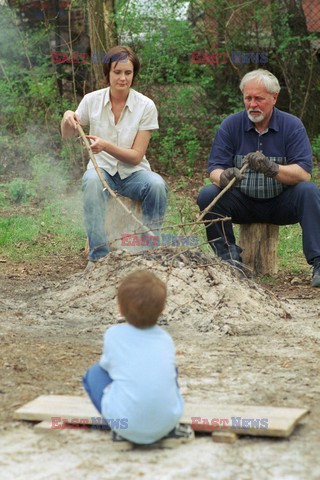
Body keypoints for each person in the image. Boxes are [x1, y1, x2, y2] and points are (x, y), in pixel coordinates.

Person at [197, 69, 320, 287]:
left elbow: (303, 173)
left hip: (281, 203)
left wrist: (273, 168)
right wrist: (224, 176)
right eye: (248, 98)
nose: (252, 104)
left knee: (309, 191)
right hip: (242, 203)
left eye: (259, 99)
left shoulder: (292, 126)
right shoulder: (231, 125)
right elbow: (214, 169)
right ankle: (229, 260)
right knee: (208, 194)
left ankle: (318, 261)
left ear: (274, 98)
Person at [61, 45, 168, 268]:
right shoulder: (92, 100)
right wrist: (67, 116)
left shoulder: (146, 106)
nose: (122, 78)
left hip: (134, 174)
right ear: (107, 73)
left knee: (157, 185)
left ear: (134, 75)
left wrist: (106, 145)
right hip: (102, 172)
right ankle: (98, 256)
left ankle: (150, 252)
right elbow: (68, 134)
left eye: (128, 73)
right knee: (90, 181)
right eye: (117, 72)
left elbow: (137, 156)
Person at [82, 269, 194, 449]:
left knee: (94, 373)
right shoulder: (165, 339)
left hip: (126, 424)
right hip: (167, 422)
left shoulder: (113, 335)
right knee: (169, 370)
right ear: (162, 310)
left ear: (119, 309)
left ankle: (120, 430)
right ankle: (170, 429)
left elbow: (107, 369)